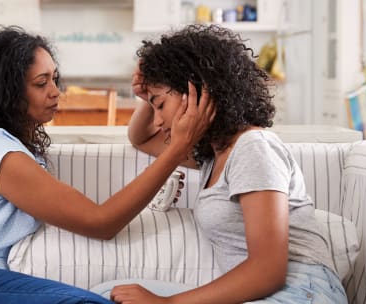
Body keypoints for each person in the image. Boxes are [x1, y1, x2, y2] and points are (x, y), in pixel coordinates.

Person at [0, 26, 212, 304]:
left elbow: (139, 139)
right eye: (41, 83)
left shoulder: (12, 148)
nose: (55, 92)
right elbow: (100, 222)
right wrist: (177, 148)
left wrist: (146, 101)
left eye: (54, 79)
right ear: (4, 91)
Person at [105, 24, 348, 303]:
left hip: (302, 290)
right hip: (267, 293)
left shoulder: (253, 148)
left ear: (194, 92)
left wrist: (167, 303)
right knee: (109, 294)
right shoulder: (215, 155)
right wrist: (148, 98)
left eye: (161, 105)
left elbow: (268, 271)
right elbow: (141, 138)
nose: (157, 120)